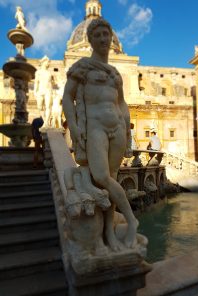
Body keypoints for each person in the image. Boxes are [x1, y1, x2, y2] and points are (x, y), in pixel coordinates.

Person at [62, 18, 138, 251]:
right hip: (95, 127)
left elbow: (123, 103)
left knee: (111, 179)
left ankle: (109, 234)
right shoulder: (82, 67)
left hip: (117, 129)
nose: (104, 39)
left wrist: (127, 127)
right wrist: (74, 127)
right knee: (102, 177)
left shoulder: (116, 73)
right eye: (99, 35)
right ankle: (131, 220)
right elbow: (67, 97)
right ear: (90, 39)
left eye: (107, 34)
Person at [34, 56, 53, 127]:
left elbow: (50, 83)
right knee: (39, 107)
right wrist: (35, 91)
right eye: (48, 62)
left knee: (48, 106)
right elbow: (36, 82)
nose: (48, 63)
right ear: (44, 62)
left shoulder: (49, 73)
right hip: (40, 90)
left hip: (48, 90)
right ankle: (45, 120)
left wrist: (52, 92)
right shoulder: (38, 72)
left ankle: (46, 123)